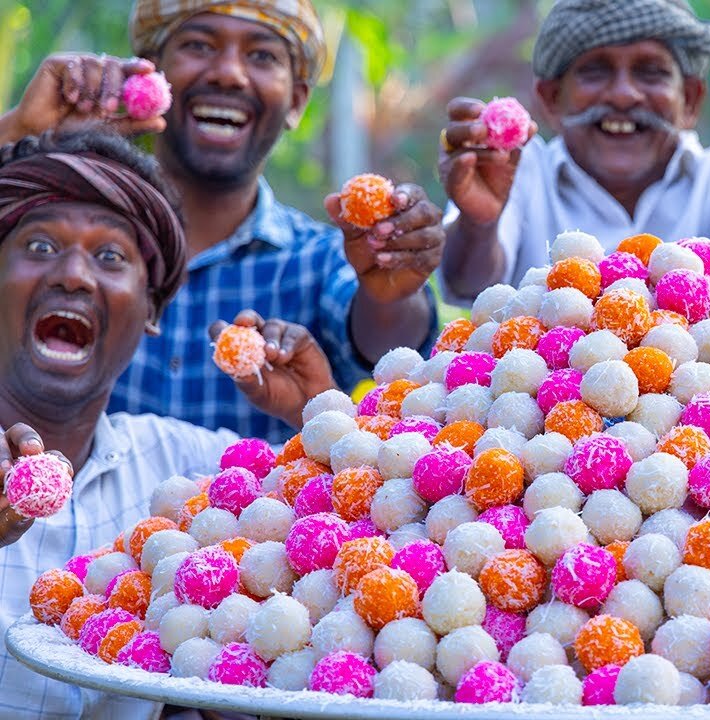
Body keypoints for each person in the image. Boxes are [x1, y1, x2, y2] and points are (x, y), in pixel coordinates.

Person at [0, 0, 445, 443]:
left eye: (262, 56)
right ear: (151, 75)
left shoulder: (321, 260)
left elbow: (383, 335)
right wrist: (18, 132)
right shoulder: (51, 244)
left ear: (296, 101)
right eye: (198, 45)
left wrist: (392, 290)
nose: (228, 73)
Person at [0, 129, 334, 718]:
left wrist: (320, 416)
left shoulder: (185, 470)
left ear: (151, 309)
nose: (74, 276)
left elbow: (350, 528)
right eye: (40, 247)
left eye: (110, 257)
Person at [438, 0, 710, 301]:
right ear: (551, 99)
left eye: (651, 72)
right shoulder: (517, 168)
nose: (623, 94)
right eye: (595, 71)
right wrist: (479, 224)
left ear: (691, 100)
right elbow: (467, 283)